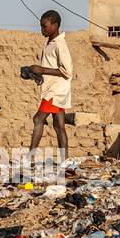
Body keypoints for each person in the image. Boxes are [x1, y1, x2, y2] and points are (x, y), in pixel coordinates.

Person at [25, 10, 72, 161]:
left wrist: (42, 69)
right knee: (59, 126)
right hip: (53, 89)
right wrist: (37, 74)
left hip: (55, 91)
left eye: (44, 26)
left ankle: (30, 158)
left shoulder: (60, 44)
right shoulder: (50, 43)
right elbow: (51, 67)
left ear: (55, 25)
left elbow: (67, 71)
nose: (42, 30)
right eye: (41, 26)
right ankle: (64, 161)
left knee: (38, 119)